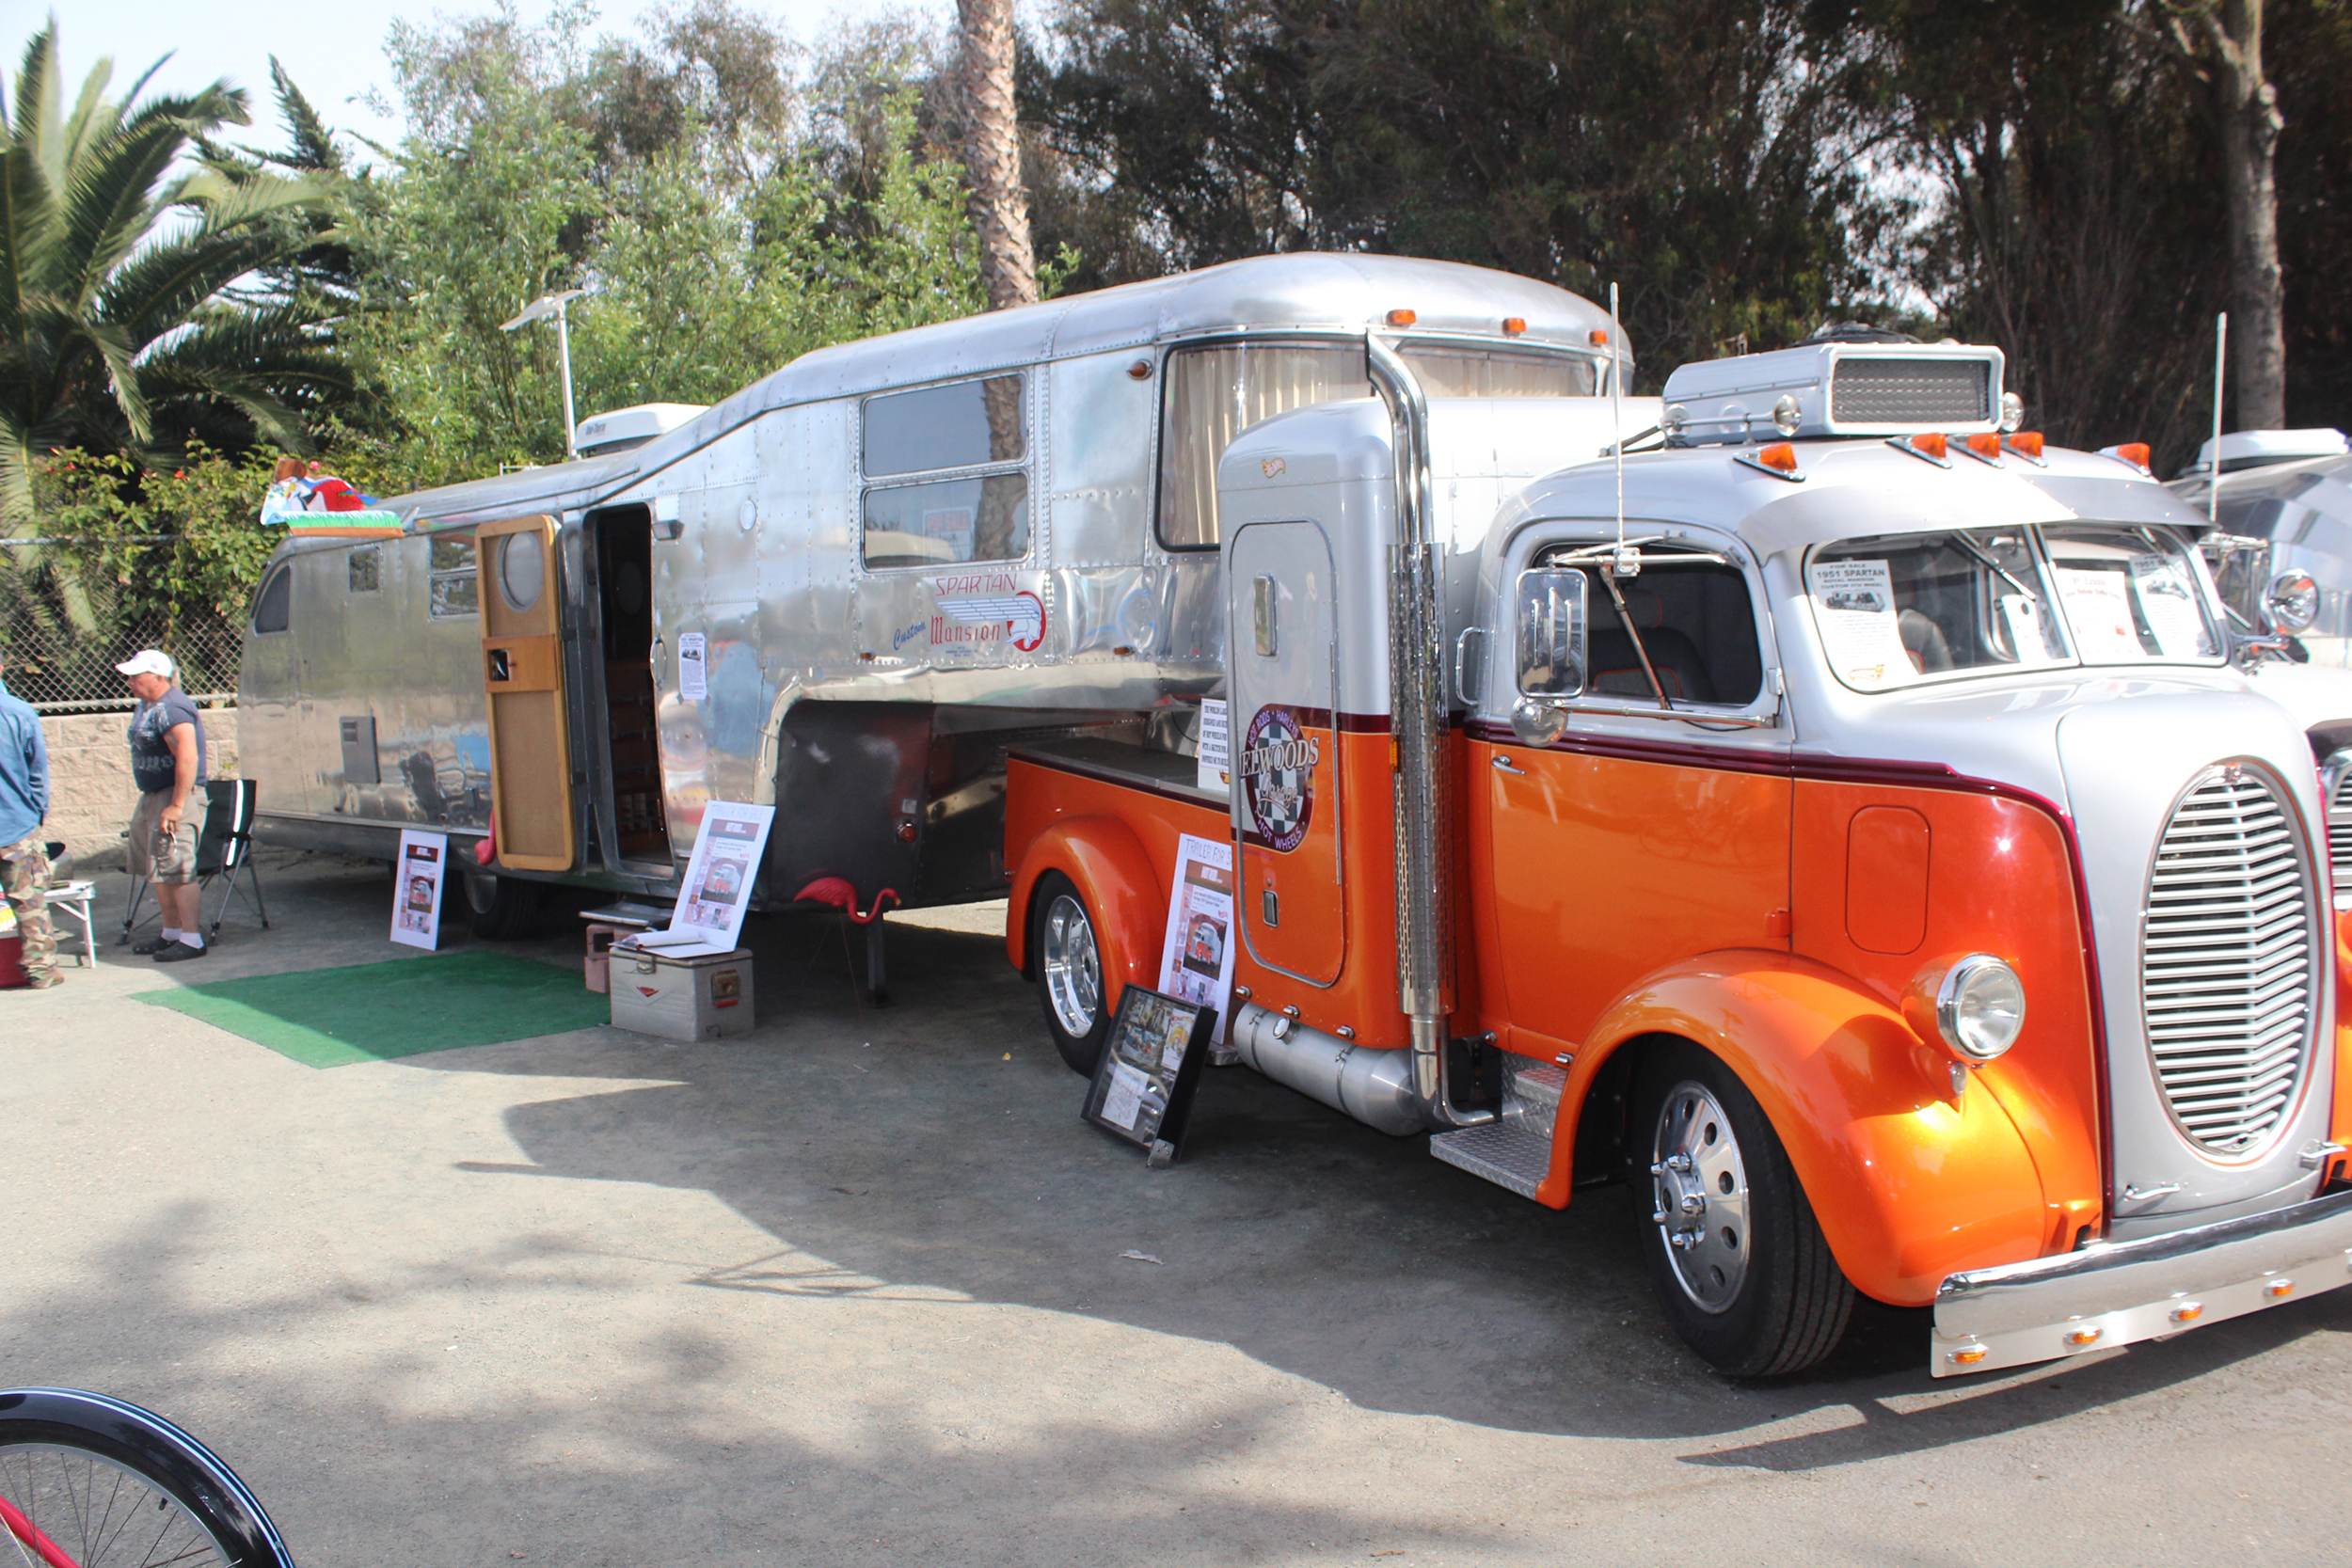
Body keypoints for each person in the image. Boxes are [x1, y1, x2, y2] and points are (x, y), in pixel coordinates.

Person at [118, 649, 209, 960]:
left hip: (174, 796)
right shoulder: (147, 705)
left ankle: (192, 939)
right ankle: (171, 933)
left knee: (178, 868)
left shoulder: (173, 708)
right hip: (153, 796)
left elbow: (187, 757)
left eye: (136, 676)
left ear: (157, 676)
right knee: (158, 868)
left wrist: (176, 805)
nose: (130, 682)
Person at [0, 648, 61, 989]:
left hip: (16, 820)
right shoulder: (19, 713)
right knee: (29, 902)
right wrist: (38, 811)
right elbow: (37, 770)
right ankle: (41, 970)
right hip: (16, 824)